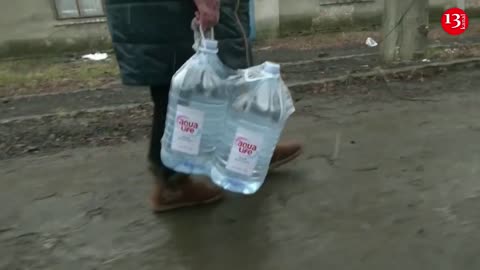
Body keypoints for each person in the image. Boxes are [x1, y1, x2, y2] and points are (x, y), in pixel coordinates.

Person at [105, 0, 303, 212]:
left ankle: (247, 154)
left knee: (210, 79)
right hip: (177, 8)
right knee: (185, 88)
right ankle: (174, 183)